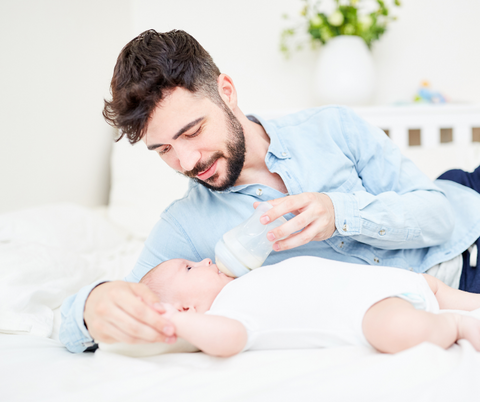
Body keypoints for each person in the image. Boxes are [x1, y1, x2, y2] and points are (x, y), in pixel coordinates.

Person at [60, 29, 480, 353]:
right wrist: (91, 307)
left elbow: (440, 215)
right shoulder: (185, 227)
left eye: (192, 131)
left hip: (464, 214)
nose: (187, 163)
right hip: (449, 288)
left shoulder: (332, 128)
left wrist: (341, 212)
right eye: (165, 150)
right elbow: (132, 301)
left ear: (226, 92)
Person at [139, 256, 480, 357]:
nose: (204, 260)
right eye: (189, 268)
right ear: (185, 311)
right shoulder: (224, 314)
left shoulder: (241, 279)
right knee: (395, 330)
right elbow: (229, 340)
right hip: (368, 310)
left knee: (437, 290)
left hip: (392, 280)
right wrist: (175, 325)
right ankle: (458, 325)